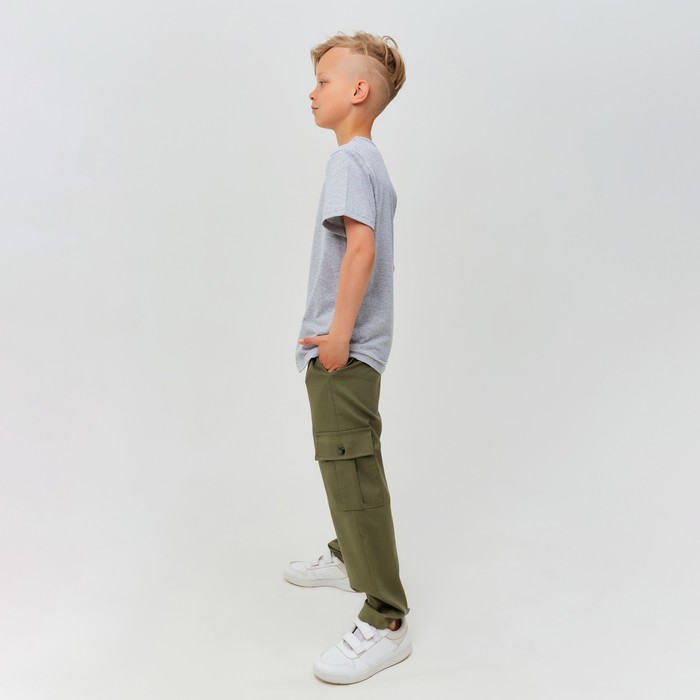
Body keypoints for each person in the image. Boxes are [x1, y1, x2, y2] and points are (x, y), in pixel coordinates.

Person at [283, 31, 411, 684]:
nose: (313, 92)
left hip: (346, 351)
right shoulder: (368, 162)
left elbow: (360, 249)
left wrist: (337, 335)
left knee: (352, 471)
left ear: (358, 91)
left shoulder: (348, 162)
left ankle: (386, 618)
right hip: (354, 350)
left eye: (324, 81)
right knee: (347, 466)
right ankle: (346, 555)